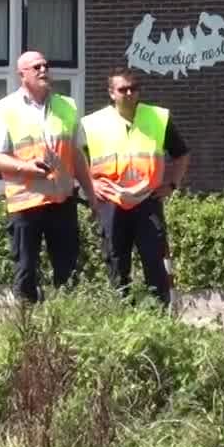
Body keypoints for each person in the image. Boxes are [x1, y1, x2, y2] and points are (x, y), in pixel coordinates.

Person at [0, 50, 92, 306]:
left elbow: (77, 155)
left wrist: (92, 194)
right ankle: (26, 323)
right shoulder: (5, 109)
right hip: (26, 201)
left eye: (45, 65)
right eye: (36, 67)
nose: (43, 70)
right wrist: (26, 168)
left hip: (62, 200)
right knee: (25, 270)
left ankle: (66, 321)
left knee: (67, 271)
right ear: (22, 75)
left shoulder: (67, 106)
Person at [81, 66, 190, 309]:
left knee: (154, 262)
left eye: (134, 88)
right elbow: (75, 161)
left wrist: (172, 184)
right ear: (111, 93)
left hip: (147, 200)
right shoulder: (93, 123)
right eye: (123, 90)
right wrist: (90, 185)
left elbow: (182, 154)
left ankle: (158, 316)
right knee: (116, 262)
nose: (129, 94)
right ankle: (121, 315)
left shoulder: (157, 118)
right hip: (111, 202)